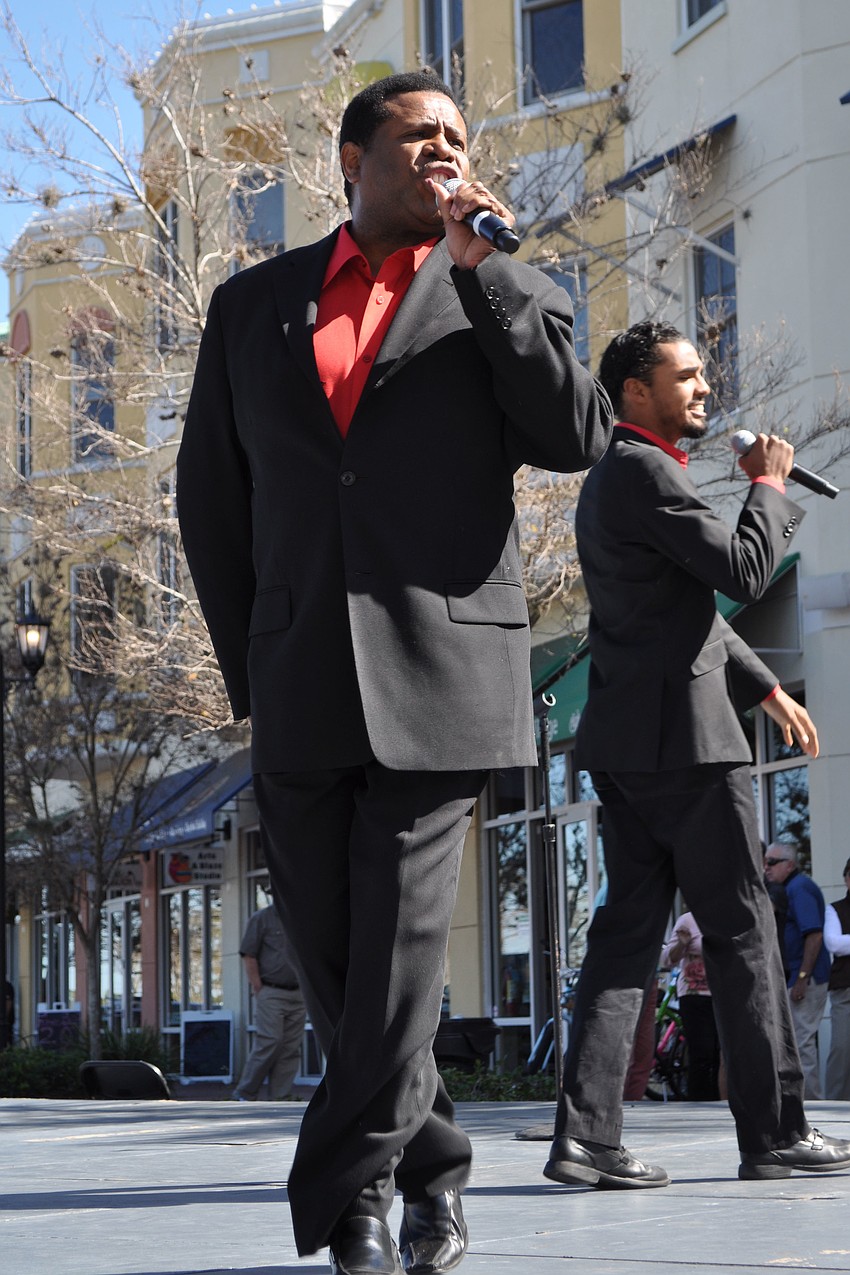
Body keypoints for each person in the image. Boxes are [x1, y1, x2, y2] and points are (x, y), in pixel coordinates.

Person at [176, 70, 612, 1275]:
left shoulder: (506, 288)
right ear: (350, 161)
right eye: (420, 135)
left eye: (458, 138)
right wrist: (252, 666)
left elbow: (574, 435)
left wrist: (488, 276)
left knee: (402, 957)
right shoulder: (250, 306)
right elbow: (212, 497)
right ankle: (429, 1171)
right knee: (334, 961)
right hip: (301, 675)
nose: (445, 151)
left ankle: (347, 1194)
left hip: (443, 672)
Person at [542, 319, 850, 1193]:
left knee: (626, 939)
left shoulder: (616, 477)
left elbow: (683, 612)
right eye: (686, 376)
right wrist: (769, 485)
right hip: (687, 746)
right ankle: (776, 1131)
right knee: (744, 931)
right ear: (635, 391)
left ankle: (586, 1138)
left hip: (630, 745)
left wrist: (765, 687)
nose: (705, 388)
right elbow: (744, 573)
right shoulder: (646, 471)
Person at [763, 842, 830, 1098]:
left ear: (790, 865)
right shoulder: (789, 888)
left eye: (772, 862)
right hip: (797, 977)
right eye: (765, 862)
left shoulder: (799, 887)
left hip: (806, 979)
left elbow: (814, 935)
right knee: (795, 1045)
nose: (766, 867)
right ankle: (803, 1103)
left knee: (801, 1044)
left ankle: (812, 1105)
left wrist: (802, 977)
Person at [232, 902, 306, 1102]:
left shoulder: (303, 917)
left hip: (299, 992)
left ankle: (280, 1096)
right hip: (271, 990)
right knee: (270, 1041)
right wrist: (258, 987)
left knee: (291, 1047)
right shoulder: (261, 918)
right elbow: (249, 955)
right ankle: (245, 1093)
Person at [661, 910, 721, 1101]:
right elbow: (668, 959)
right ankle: (700, 1103)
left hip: (723, 995)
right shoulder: (687, 920)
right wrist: (682, 943)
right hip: (693, 995)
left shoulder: (728, 917)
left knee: (719, 1054)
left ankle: (719, 1102)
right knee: (702, 1053)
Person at [823, 858, 850, 1100]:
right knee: (842, 1047)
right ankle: (836, 1103)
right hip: (845, 987)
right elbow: (834, 944)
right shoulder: (834, 909)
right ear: (846, 879)